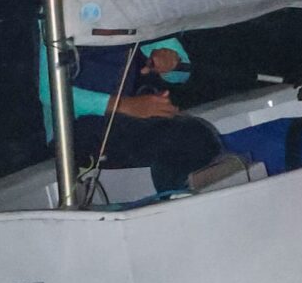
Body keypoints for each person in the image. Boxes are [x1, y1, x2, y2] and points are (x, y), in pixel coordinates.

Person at [38, 31, 224, 194]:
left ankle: (176, 198)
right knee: (187, 138)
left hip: (122, 120)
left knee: (199, 136)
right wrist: (126, 105)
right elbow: (50, 93)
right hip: (70, 133)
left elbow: (182, 73)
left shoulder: (128, 10)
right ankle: (172, 202)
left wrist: (171, 63)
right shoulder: (58, 16)